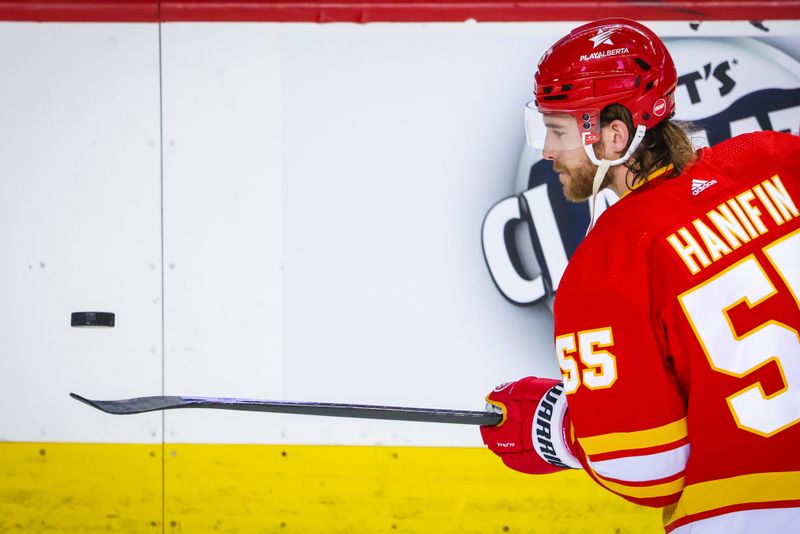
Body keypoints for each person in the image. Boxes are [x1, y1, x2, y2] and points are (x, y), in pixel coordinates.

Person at [480, 18, 800, 533]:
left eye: (557, 130)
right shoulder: (777, 158)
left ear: (614, 134)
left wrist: (555, 425)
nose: (546, 152)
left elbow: (647, 470)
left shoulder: (607, 266)